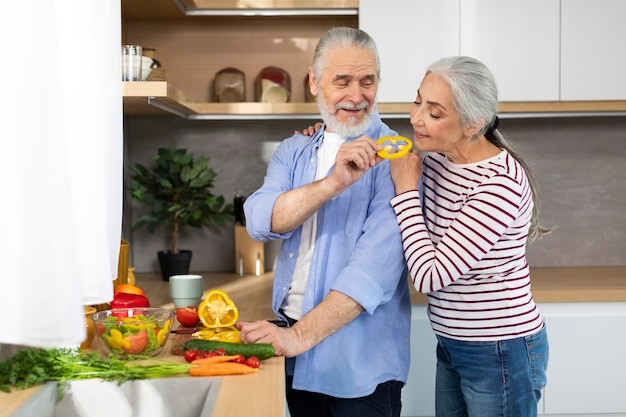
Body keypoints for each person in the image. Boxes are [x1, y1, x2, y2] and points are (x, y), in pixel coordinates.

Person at [237, 27, 411, 417]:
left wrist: (296, 337)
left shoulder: (396, 160)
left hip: (359, 366)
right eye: (342, 81)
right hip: (295, 356)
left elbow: (372, 273)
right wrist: (332, 182)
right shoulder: (294, 150)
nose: (356, 95)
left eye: (367, 81)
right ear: (314, 81)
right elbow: (260, 220)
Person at [389, 56, 550, 417]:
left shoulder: (499, 184)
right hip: (452, 342)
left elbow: (430, 276)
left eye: (435, 112)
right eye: (418, 102)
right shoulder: (437, 158)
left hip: (501, 351)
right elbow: (386, 158)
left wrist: (405, 193)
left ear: (473, 124)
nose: (416, 118)